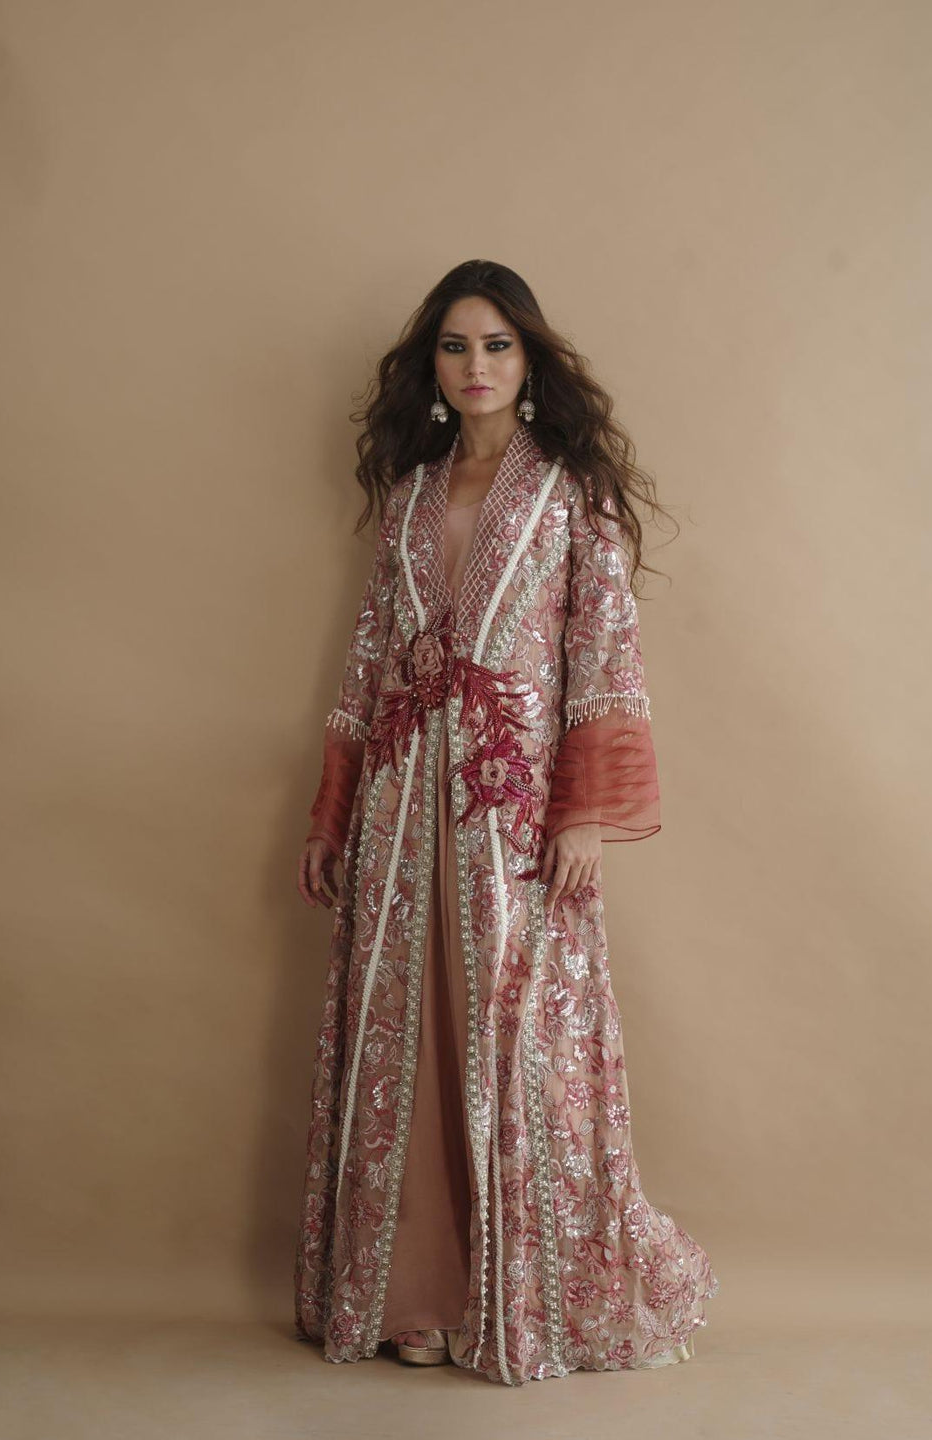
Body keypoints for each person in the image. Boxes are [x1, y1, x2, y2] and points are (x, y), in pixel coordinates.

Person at [293, 259, 719, 1386]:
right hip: (401, 809)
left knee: (515, 1036)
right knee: (409, 1034)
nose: (475, 365)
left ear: (529, 361)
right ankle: (414, 1293)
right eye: (455, 346)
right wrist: (333, 812)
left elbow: (605, 653)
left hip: (513, 809)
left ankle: (516, 1293)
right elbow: (370, 660)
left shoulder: (569, 492)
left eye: (496, 345)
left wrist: (583, 815)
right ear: (431, 367)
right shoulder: (408, 498)